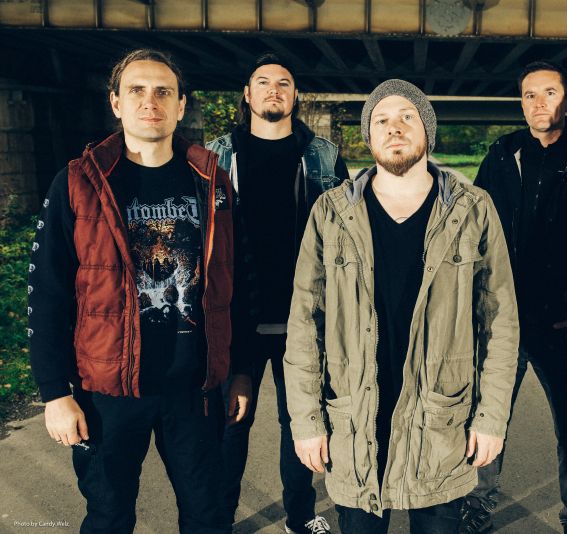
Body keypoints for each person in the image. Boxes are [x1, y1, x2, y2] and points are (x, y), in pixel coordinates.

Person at [27, 48, 251, 534]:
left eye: (163, 92)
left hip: (194, 388)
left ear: (181, 105)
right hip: (108, 389)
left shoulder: (212, 183)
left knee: (209, 515)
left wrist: (241, 371)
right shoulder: (78, 182)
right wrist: (54, 392)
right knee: (108, 516)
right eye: (137, 90)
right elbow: (47, 292)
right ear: (115, 102)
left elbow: (236, 283)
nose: (151, 101)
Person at [284, 79, 519, 534]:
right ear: (369, 137)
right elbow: (304, 324)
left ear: (428, 131)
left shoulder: (472, 209)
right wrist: (307, 421)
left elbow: (501, 322)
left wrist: (492, 419)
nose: (394, 128)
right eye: (382, 120)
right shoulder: (331, 213)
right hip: (355, 428)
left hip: (441, 427)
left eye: (407, 117)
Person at [463, 61, 567, 534]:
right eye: (530, 95)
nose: (539, 103)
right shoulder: (503, 154)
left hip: (561, 323)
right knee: (488, 420)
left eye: (549, 93)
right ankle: (477, 508)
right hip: (502, 320)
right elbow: (475, 229)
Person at [206, 53, 348, 534]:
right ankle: (219, 520)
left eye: (283, 83)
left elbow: (348, 234)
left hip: (303, 317)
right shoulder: (215, 157)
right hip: (236, 316)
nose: (273, 89)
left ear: (295, 95)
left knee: (300, 423)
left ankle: (300, 518)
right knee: (231, 425)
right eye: (263, 82)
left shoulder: (323, 156)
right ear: (247, 95)